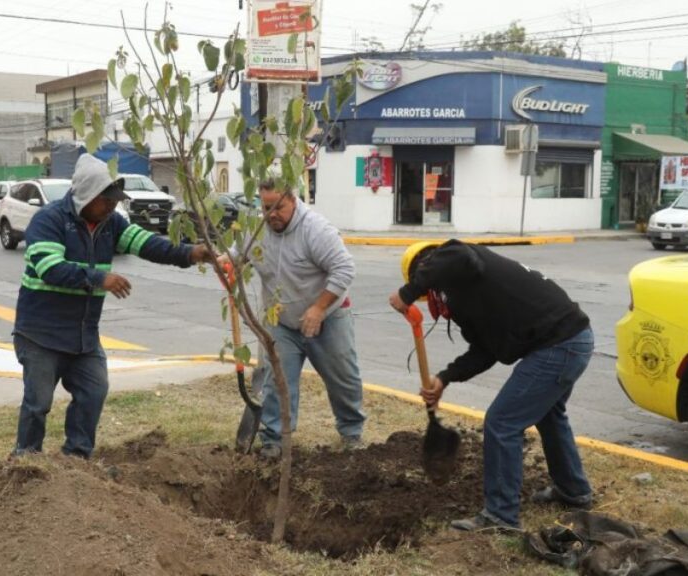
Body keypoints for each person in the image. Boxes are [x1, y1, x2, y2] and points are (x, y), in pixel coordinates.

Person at [12, 154, 211, 459]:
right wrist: (99, 278)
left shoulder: (111, 224)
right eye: (106, 201)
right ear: (88, 196)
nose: (112, 207)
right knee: (38, 404)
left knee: (93, 392)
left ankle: (76, 460)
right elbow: (50, 269)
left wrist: (191, 253)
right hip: (41, 335)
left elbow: (148, 244)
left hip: (83, 338)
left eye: (115, 202)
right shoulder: (49, 220)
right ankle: (25, 463)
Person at [388, 239, 594, 532]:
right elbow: (485, 351)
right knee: (549, 416)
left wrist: (407, 292)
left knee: (502, 422)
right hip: (568, 340)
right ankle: (574, 491)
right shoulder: (465, 297)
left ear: (427, 267)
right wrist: (444, 378)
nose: (430, 294)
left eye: (425, 285)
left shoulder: (465, 261)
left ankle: (501, 516)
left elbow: (457, 252)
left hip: (560, 344)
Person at [225, 179, 365, 458]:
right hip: (281, 322)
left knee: (343, 379)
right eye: (266, 207)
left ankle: (352, 434)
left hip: (328, 318)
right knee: (277, 381)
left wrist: (318, 308)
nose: (272, 214)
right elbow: (237, 256)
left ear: (294, 200)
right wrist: (226, 262)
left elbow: (344, 269)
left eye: (279, 207)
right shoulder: (256, 228)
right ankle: (274, 441)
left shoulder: (315, 229)